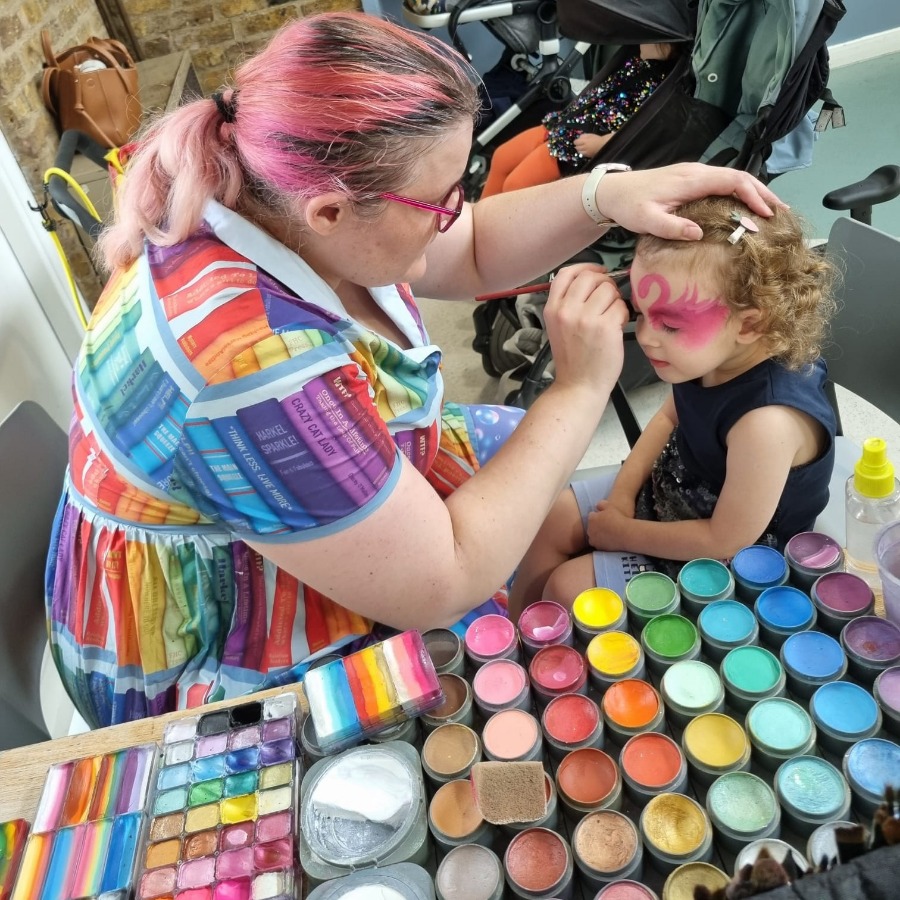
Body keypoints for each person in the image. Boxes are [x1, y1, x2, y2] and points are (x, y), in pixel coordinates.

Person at [45, 12, 781, 727]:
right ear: (332, 211)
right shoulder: (247, 366)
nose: (454, 213)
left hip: (286, 485)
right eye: (439, 199)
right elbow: (442, 582)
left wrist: (606, 195)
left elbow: (476, 246)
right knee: (481, 663)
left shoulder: (267, 191)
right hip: (219, 633)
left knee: (529, 471)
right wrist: (581, 388)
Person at [508, 197, 837, 616]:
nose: (645, 337)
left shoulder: (767, 422)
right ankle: (512, 640)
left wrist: (625, 533)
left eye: (671, 323)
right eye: (642, 314)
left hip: (740, 559)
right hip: (679, 490)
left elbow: (725, 540)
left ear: (750, 323)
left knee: (569, 587)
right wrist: (624, 496)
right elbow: (668, 417)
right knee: (551, 518)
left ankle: (551, 659)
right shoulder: (711, 356)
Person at [480, 43, 679, 198]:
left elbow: (644, 129)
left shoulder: (662, 85)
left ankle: (499, 238)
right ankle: (480, 222)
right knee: (502, 156)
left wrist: (604, 143)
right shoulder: (634, 58)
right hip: (569, 122)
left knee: (515, 186)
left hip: (578, 145)